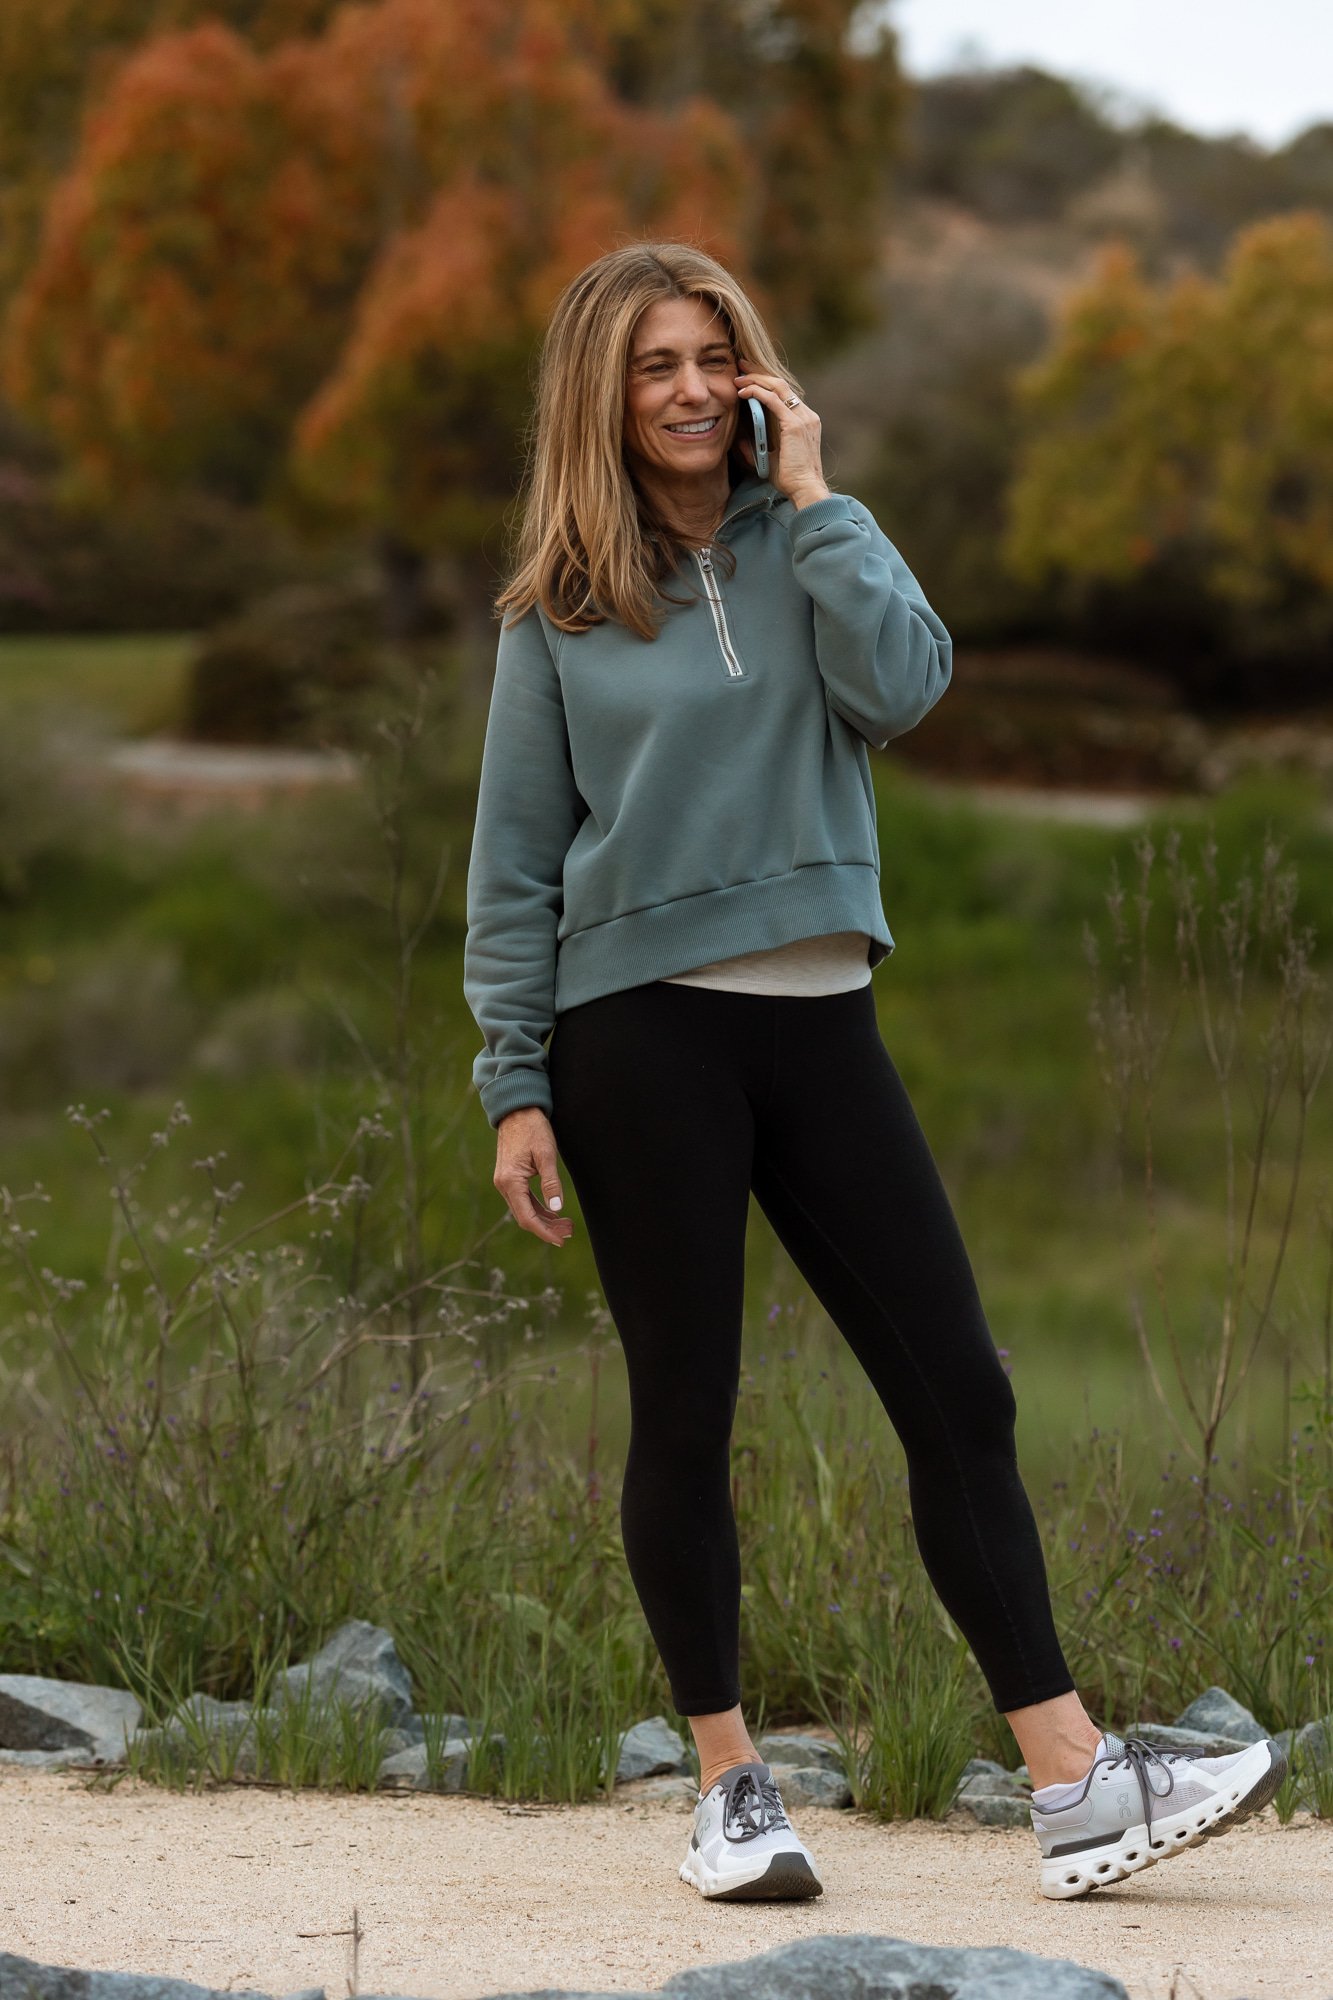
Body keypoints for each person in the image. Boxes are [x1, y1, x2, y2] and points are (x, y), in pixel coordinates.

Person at [462, 241, 1287, 1903]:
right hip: (638, 1035)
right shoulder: (555, 609)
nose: (690, 390)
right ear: (599, 397)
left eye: (713, 356)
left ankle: (1069, 1780)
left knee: (957, 1387)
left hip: (821, 1018)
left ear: (756, 373)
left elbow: (903, 687)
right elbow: (514, 867)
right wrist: (513, 1081)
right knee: (686, 1414)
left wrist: (820, 496)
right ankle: (729, 1788)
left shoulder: (812, 543)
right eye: (652, 366)